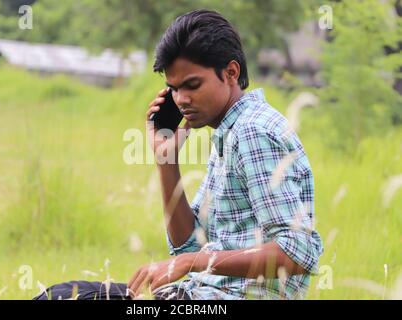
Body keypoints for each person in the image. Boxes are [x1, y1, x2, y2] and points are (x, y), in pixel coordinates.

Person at [34, 9, 323, 301]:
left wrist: (190, 263)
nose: (182, 99)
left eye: (192, 85)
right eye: (173, 88)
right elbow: (189, 248)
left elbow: (297, 252)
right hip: (201, 292)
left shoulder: (252, 132)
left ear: (231, 73)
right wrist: (166, 161)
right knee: (62, 295)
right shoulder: (228, 130)